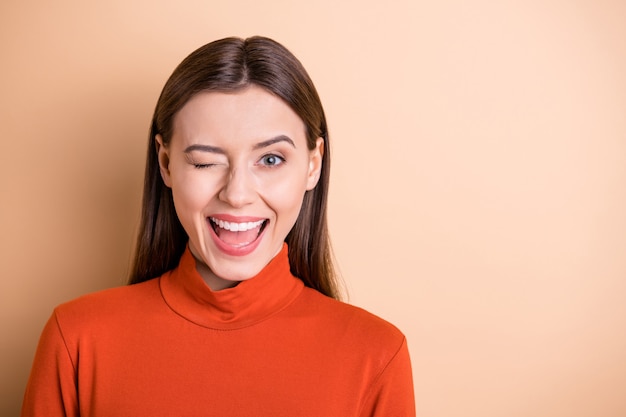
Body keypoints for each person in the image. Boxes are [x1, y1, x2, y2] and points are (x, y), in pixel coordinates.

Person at [21, 36, 415, 416]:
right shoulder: (76, 339)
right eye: (206, 162)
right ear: (166, 162)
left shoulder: (376, 356)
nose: (237, 193)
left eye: (271, 160)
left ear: (313, 164)